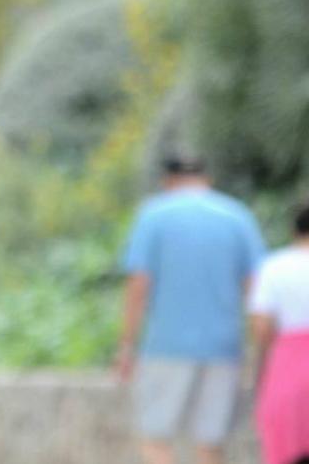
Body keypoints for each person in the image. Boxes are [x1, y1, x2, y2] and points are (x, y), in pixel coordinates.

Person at [117, 155, 267, 464]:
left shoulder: (153, 216)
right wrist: (256, 349)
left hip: (166, 346)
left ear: (167, 181)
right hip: (224, 347)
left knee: (156, 439)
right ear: (206, 178)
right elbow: (257, 290)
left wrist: (127, 344)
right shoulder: (237, 215)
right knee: (210, 444)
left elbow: (138, 285)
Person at [249, 201, 309, 464]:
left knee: (288, 443)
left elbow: (261, 326)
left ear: (294, 230)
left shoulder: (274, 266)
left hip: (289, 363)